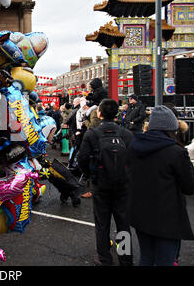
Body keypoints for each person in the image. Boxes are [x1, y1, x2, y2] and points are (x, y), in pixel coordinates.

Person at [129, 105, 194, 266]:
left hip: (141, 213)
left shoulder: (134, 146)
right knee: (165, 260)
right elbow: (190, 186)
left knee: (146, 257)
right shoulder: (176, 152)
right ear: (172, 127)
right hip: (167, 218)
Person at [78, 99, 134, 266]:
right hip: (123, 184)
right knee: (123, 223)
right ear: (116, 113)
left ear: (100, 113)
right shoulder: (126, 134)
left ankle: (104, 258)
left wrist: (90, 175)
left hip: (100, 184)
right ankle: (125, 258)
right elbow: (133, 159)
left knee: (102, 224)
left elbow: (82, 159)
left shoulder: (92, 134)